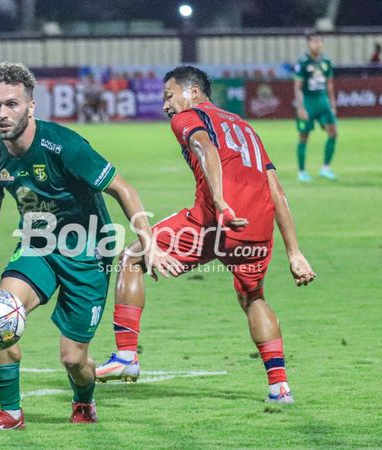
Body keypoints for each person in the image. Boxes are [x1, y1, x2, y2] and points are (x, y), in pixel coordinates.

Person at [0, 62, 171, 431]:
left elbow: (122, 188)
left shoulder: (63, 145)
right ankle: (11, 413)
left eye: (12, 104)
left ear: (31, 106)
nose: (2, 114)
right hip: (37, 248)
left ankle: (83, 402)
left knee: (73, 360)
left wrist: (147, 241)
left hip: (87, 255)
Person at [95, 66, 316, 404]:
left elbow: (204, 148)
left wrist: (220, 201)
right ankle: (279, 387)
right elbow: (275, 188)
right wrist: (294, 252)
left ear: (192, 92)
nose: (166, 105)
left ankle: (126, 355)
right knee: (253, 298)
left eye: (169, 96)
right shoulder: (245, 127)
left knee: (132, 256)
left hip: (214, 219)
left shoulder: (188, 117)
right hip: (256, 229)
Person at [293, 31, 338, 182]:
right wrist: (300, 108)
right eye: (313, 41)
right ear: (308, 43)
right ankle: (301, 171)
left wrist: (332, 104)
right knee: (304, 136)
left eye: (319, 41)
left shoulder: (326, 62)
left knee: (333, 132)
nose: (316, 44)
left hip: (322, 101)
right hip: (308, 102)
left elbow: (330, 84)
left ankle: (326, 168)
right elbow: (297, 86)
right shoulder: (303, 62)